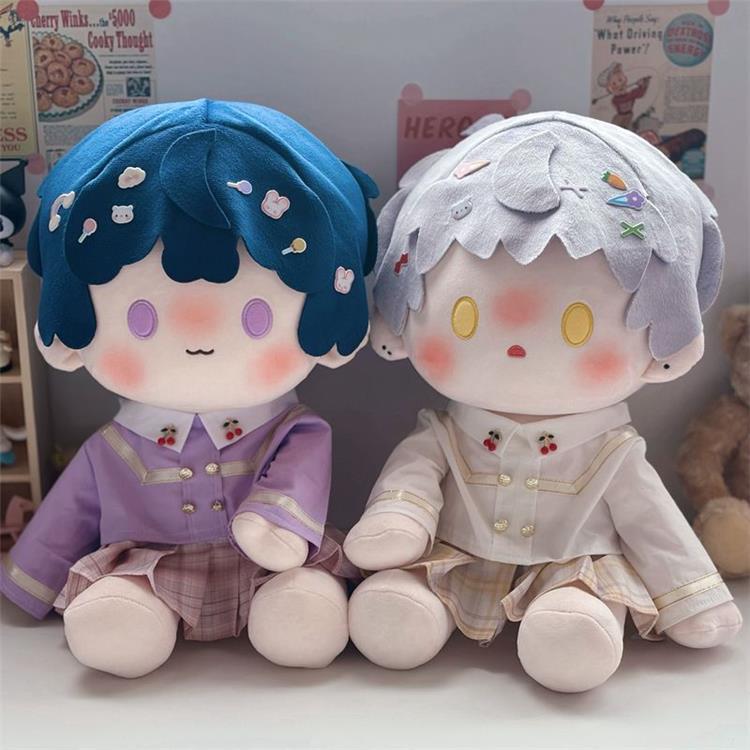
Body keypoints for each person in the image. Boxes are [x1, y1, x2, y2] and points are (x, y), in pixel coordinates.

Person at [344, 111, 742, 693]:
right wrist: (398, 519)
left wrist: (693, 600)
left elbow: (652, 522)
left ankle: (570, 627)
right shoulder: (443, 434)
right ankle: (408, 610)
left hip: (574, 567)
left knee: (575, 618)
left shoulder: (610, 452)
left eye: (579, 325)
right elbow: (412, 478)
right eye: (464, 317)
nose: (516, 342)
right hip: (456, 556)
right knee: (399, 605)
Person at [1, 99, 378, 678]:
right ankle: (127, 618)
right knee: (117, 616)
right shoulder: (114, 447)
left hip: (270, 567)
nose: (198, 336)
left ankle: (294, 614)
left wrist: (275, 527)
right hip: (148, 568)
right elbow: (70, 511)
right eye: (141, 319)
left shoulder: (294, 431)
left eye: (256, 317)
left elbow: (299, 478)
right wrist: (30, 581)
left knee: (302, 607)